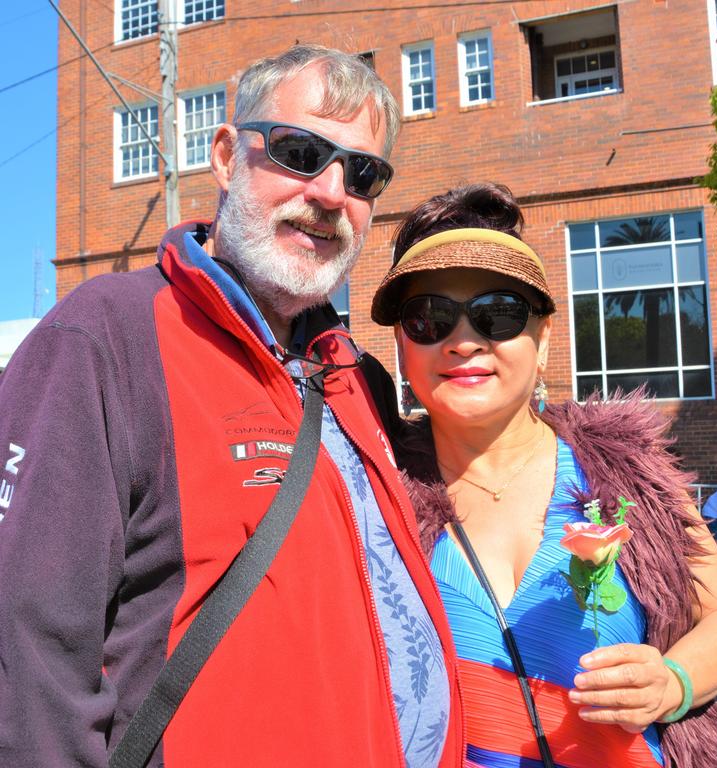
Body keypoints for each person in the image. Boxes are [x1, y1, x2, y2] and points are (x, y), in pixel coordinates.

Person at [0, 46, 464, 767]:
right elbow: (29, 655)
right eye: (301, 151)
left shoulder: (355, 375)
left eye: (363, 173)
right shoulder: (104, 337)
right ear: (224, 156)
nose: (332, 192)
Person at [370, 182, 717, 768]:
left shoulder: (627, 474)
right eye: (430, 317)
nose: (464, 341)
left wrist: (672, 681)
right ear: (402, 343)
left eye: (497, 314)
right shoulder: (371, 495)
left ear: (544, 335)